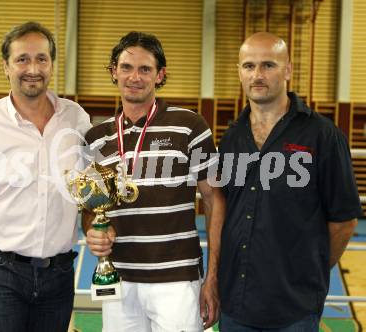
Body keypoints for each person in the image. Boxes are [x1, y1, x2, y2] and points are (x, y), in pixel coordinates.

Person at [0, 21, 91, 332]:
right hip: (0, 274)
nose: (32, 68)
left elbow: (91, 189)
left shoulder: (77, 119)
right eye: (22, 59)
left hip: (59, 275)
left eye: (41, 58)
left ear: (51, 64)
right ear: (5, 67)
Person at [216, 31, 362, 331]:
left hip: (295, 308)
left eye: (268, 65)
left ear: (288, 70)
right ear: (239, 72)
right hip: (235, 304)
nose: (257, 74)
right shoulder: (231, 137)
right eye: (248, 66)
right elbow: (227, 209)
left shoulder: (322, 136)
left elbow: (344, 221)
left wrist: (308, 271)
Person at [83, 31, 223, 331]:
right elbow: (91, 208)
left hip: (177, 282)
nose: (135, 77)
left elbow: (215, 199)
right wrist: (93, 231)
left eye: (145, 69)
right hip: (119, 279)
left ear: (160, 75)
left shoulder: (189, 125)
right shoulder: (96, 138)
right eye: (126, 67)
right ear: (113, 72)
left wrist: (212, 277)